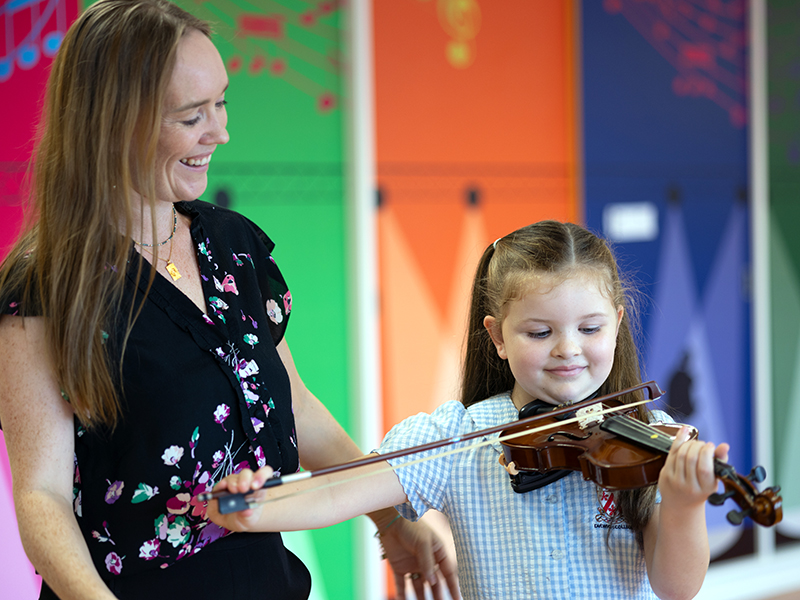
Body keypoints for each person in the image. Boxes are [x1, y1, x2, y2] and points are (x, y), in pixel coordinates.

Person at [0, 1, 458, 598]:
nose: (220, 132)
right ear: (114, 123)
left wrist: (390, 519)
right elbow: (42, 495)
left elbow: (291, 401)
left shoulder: (231, 244)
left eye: (221, 103)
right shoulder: (41, 288)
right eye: (192, 116)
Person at [208, 220, 730, 600]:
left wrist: (683, 505)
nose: (568, 349)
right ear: (497, 337)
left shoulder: (651, 439)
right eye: (539, 332)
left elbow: (677, 587)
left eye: (590, 329)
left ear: (616, 324)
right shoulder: (461, 437)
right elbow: (341, 489)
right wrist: (255, 507)